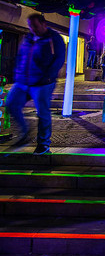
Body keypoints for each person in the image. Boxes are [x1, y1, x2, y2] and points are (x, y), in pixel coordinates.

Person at [6, 13, 65, 155]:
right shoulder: (28, 38)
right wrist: (18, 75)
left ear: (44, 24)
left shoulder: (54, 39)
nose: (33, 29)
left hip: (42, 83)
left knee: (43, 113)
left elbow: (58, 60)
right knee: (11, 104)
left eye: (35, 26)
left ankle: (43, 144)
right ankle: (25, 133)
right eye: (30, 26)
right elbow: (21, 57)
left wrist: (47, 78)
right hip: (23, 81)